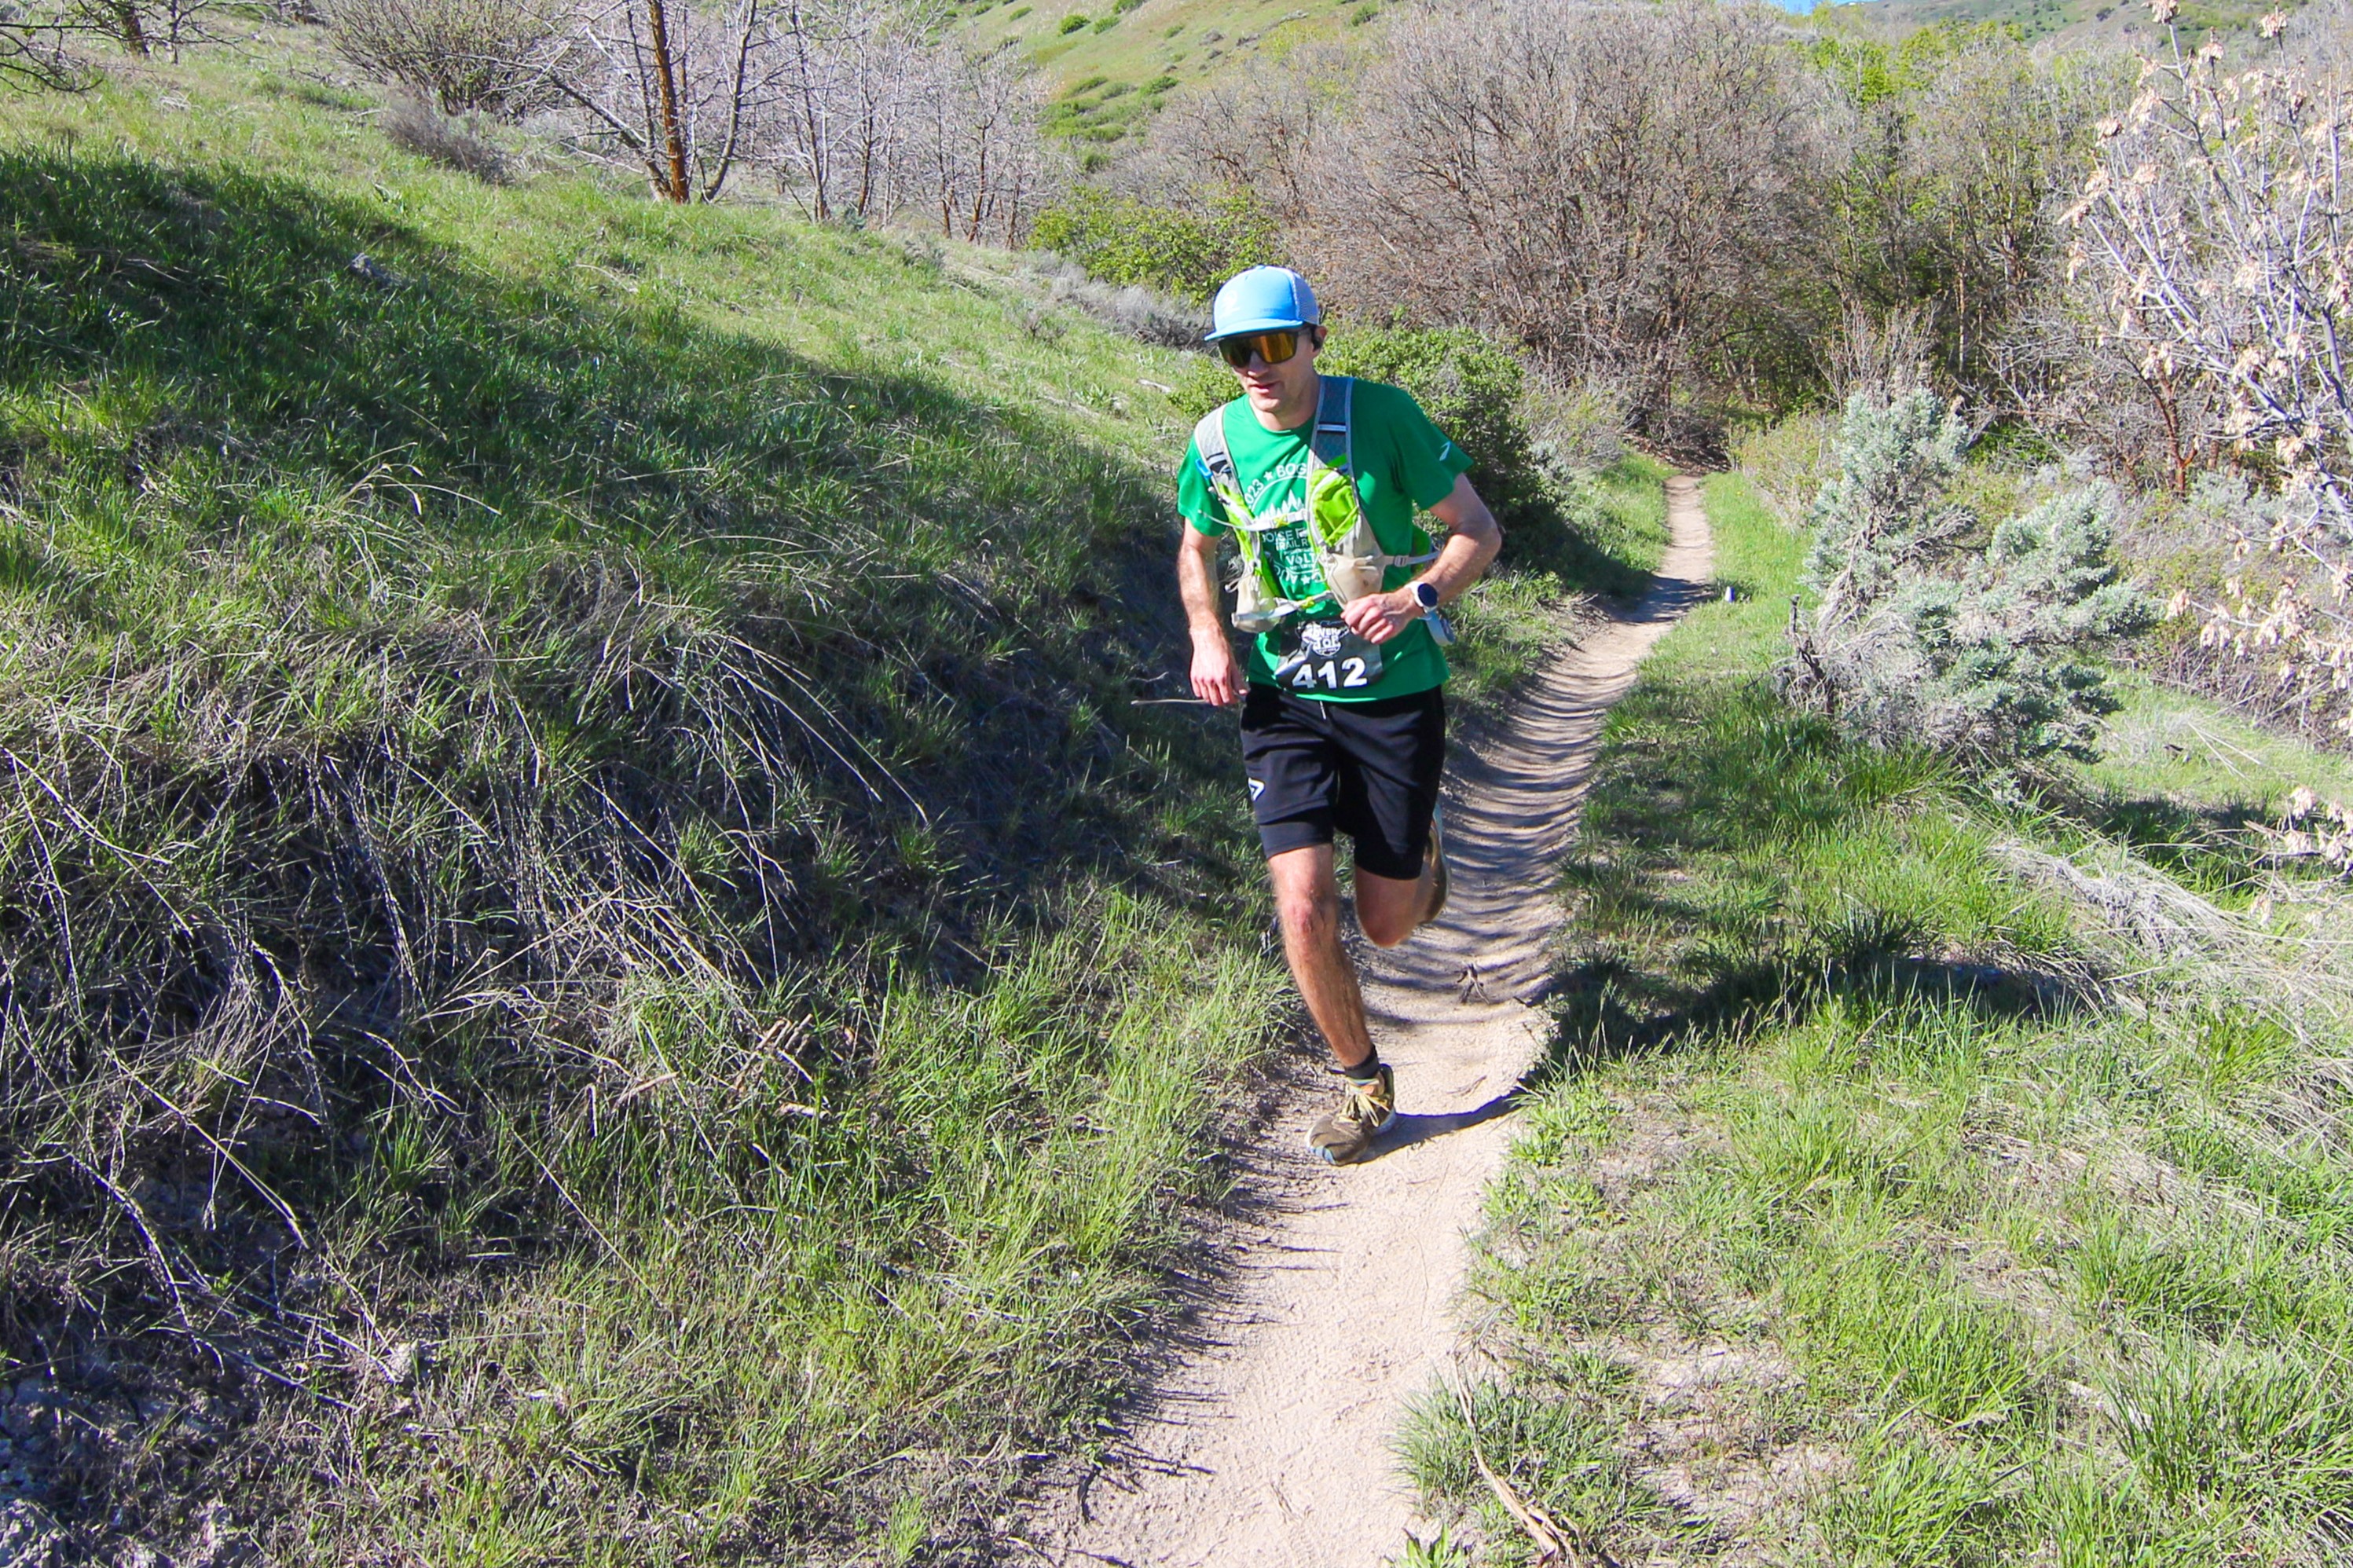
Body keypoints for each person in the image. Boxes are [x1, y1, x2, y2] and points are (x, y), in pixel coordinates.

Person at [1175, 266, 1502, 1165]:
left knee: (1386, 923)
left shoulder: (1380, 417)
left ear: (1315, 339)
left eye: (1274, 344)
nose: (1256, 366)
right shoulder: (1215, 443)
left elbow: (1477, 529)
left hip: (1392, 695)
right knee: (1302, 906)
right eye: (1236, 352)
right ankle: (1364, 1083)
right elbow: (1196, 546)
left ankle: (1420, 847)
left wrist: (1414, 596)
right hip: (1283, 700)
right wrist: (1207, 634)